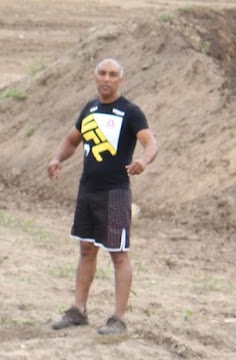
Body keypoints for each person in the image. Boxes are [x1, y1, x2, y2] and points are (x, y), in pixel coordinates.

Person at [45, 58, 158, 337]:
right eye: (102, 73)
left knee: (118, 254)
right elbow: (72, 140)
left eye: (112, 74)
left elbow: (150, 142)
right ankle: (78, 310)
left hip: (115, 192)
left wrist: (143, 160)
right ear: (95, 77)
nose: (107, 79)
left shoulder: (130, 112)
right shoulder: (90, 109)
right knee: (86, 249)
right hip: (88, 190)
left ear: (121, 80)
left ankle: (118, 318)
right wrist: (57, 158)